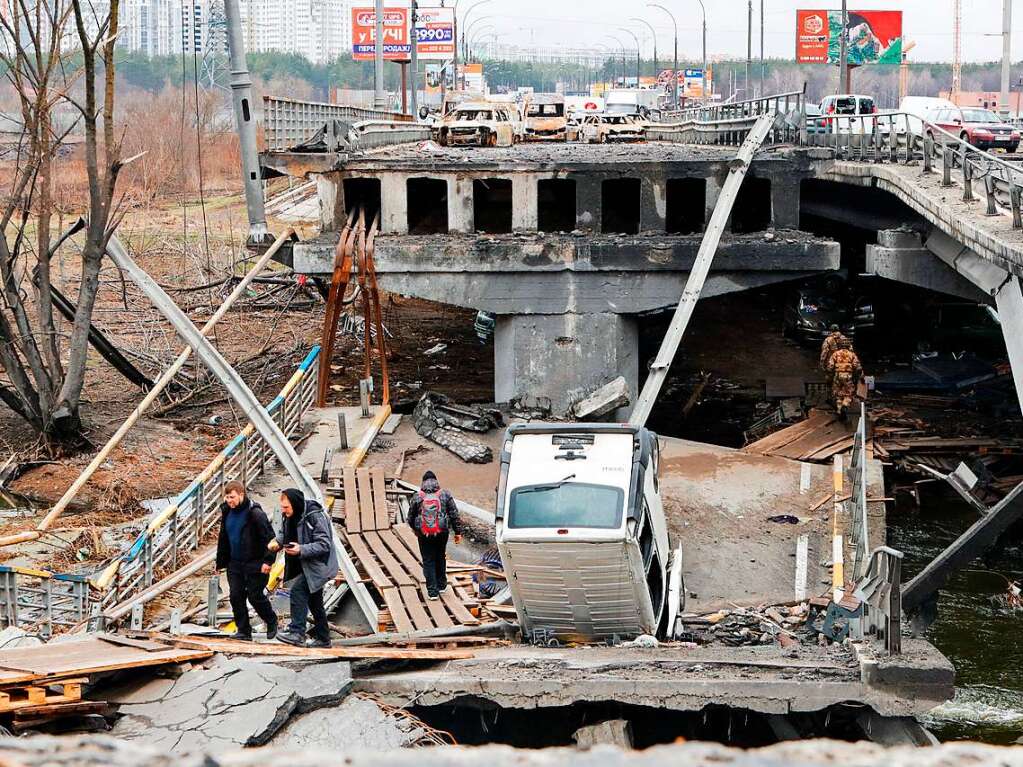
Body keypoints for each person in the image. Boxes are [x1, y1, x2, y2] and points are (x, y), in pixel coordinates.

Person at [269, 488, 339, 648]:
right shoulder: (290, 515)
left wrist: (301, 549)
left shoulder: (314, 516)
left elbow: (324, 544)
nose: (284, 511)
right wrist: (278, 543)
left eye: (286, 508)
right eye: (282, 507)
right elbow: (285, 533)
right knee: (315, 602)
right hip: (305, 565)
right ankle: (324, 639)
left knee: (298, 592)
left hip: (320, 566)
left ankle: (297, 633)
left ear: (296, 504)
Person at [216, 480, 278, 641]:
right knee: (236, 596)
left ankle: (271, 620)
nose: (229, 501)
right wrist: (221, 562)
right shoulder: (227, 512)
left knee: (254, 596)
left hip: (255, 562)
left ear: (241, 494)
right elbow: (224, 538)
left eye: (232, 497)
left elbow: (270, 539)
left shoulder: (255, 514)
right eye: (227, 497)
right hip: (234, 563)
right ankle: (243, 630)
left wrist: (268, 561)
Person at [407, 470, 462, 601]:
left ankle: (432, 592)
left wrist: (416, 530)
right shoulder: (445, 494)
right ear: (436, 481)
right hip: (442, 532)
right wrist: (458, 532)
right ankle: (442, 585)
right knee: (440, 556)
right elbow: (454, 514)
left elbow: (410, 517)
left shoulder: (418, 496)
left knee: (428, 560)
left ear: (423, 482)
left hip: (424, 534)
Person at [827, 344, 863, 421]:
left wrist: (830, 375)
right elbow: (858, 367)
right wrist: (860, 376)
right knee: (848, 393)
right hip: (847, 376)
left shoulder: (835, 354)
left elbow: (830, 366)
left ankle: (839, 410)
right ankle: (845, 405)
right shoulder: (852, 354)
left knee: (838, 393)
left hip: (838, 376)